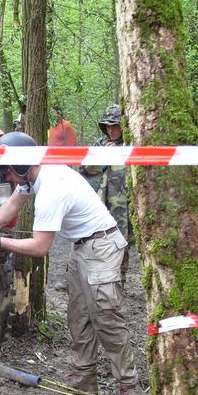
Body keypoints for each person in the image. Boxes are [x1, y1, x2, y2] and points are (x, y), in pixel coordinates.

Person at [0, 131, 139, 395]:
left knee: (106, 316)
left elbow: (40, 248)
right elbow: (13, 202)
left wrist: (0, 243)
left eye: (7, 170)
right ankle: (84, 375)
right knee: (78, 314)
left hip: (101, 246)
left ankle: (128, 384)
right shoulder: (36, 176)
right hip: (82, 247)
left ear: (21, 164)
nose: (5, 176)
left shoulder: (51, 189)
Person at [81, 104, 132, 284]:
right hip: (105, 203)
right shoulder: (101, 144)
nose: (111, 130)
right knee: (105, 241)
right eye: (108, 126)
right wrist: (103, 157)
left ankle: (120, 279)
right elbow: (85, 168)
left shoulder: (133, 143)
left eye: (115, 125)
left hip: (130, 204)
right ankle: (107, 280)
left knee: (125, 242)